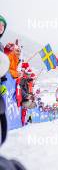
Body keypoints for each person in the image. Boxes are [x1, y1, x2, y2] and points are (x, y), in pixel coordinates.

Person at [0, 41, 26, 169]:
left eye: (19, 51)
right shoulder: (9, 57)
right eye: (16, 51)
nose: (18, 53)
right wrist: (16, 74)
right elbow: (8, 70)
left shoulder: (16, 59)